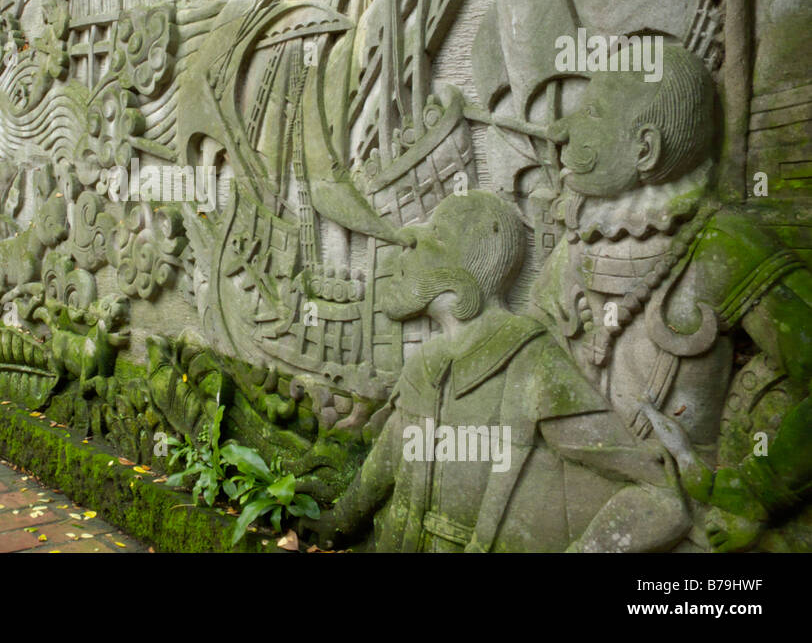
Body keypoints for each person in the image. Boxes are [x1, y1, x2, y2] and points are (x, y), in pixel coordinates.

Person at [533, 44, 812, 551]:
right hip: (568, 488)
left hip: (683, 516)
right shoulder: (572, 249)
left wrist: (755, 491)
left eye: (591, 113)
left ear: (646, 148)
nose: (561, 130)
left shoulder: (722, 246)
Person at [305, 191, 689, 552]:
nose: (408, 238)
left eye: (436, 234)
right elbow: (391, 453)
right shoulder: (426, 362)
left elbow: (659, 496)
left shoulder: (529, 360)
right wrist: (338, 522)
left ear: (470, 267)